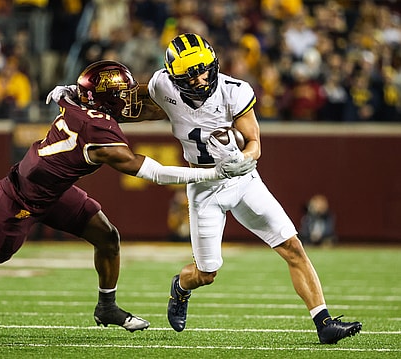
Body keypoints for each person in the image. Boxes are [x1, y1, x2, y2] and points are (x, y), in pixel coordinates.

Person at [0, 60, 254, 332]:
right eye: (121, 94)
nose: (129, 98)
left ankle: (106, 307)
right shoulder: (101, 133)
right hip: (19, 200)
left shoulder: (79, 101)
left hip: (53, 190)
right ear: (103, 100)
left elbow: (78, 92)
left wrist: (67, 89)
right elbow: (152, 171)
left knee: (108, 237)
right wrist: (211, 172)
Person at [145, 33, 361, 344]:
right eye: (191, 75)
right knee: (207, 273)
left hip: (242, 180)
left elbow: (255, 143)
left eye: (204, 69)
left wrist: (244, 159)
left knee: (292, 247)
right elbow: (135, 107)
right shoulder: (161, 85)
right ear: (174, 77)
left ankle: (324, 322)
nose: (201, 78)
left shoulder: (235, 91)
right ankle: (180, 287)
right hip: (204, 187)